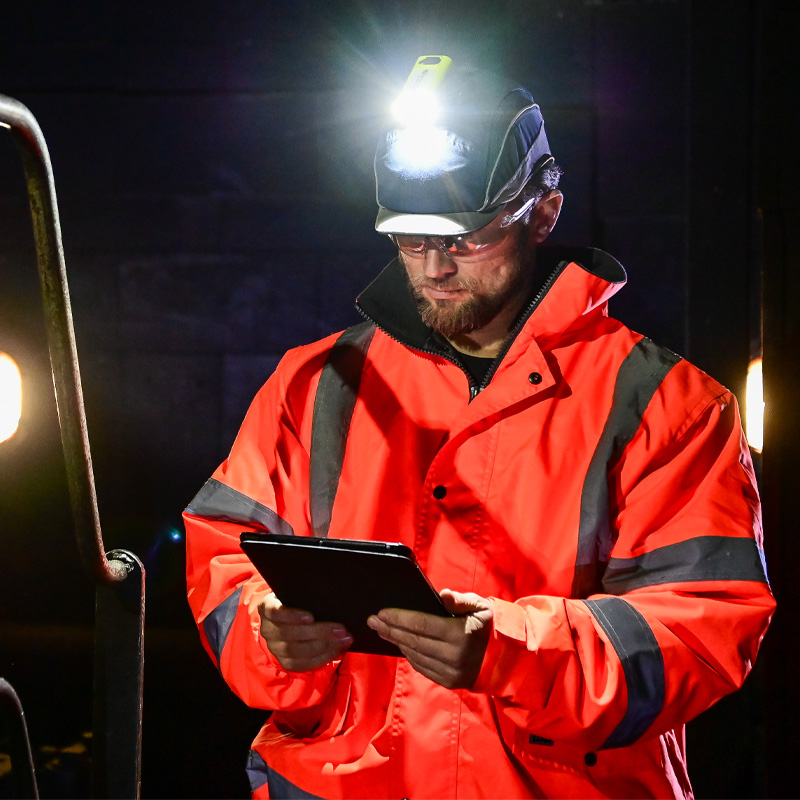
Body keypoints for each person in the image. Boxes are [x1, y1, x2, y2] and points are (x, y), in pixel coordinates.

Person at [183, 55, 774, 799]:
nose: (434, 267)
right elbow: (222, 557)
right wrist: (268, 630)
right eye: (410, 239)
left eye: (466, 238)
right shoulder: (314, 384)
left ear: (545, 211)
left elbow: (703, 628)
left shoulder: (669, 405)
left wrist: (509, 652)